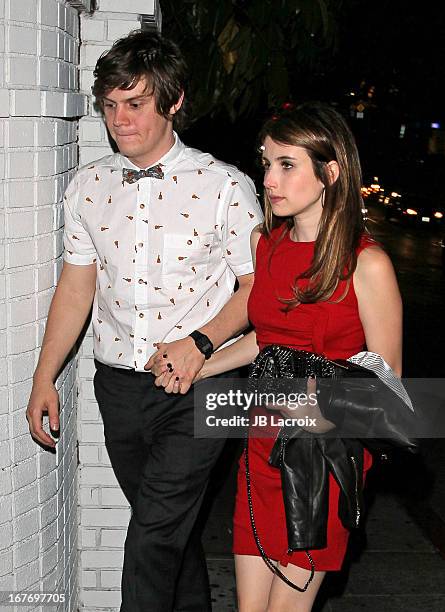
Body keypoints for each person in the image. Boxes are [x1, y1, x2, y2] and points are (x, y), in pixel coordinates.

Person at [26, 30, 263, 612]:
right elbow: (77, 285)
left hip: (203, 385)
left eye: (135, 104)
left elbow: (259, 288)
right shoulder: (88, 186)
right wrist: (43, 376)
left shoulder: (225, 186)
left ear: (174, 100)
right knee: (168, 535)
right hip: (120, 390)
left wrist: (201, 344)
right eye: (110, 105)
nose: (119, 119)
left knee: (152, 539)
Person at [156, 102, 402, 611]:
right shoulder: (264, 244)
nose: (269, 178)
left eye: (286, 164)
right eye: (266, 162)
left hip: (322, 458)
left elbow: (389, 383)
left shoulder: (367, 264)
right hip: (261, 445)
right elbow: (267, 340)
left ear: (329, 173)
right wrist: (199, 361)